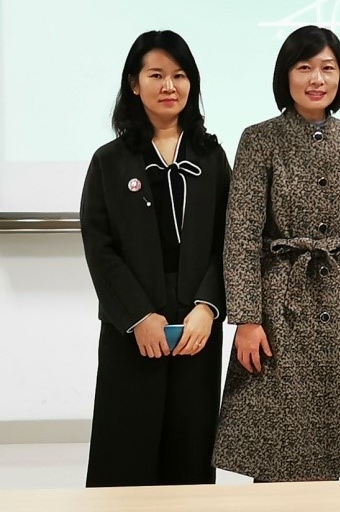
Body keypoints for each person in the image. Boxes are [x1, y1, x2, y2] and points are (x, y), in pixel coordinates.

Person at [212, 25, 340, 481]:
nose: (317, 79)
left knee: (331, 438)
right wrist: (246, 319)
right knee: (276, 441)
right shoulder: (259, 139)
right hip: (278, 304)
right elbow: (241, 233)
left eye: (328, 68)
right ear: (285, 75)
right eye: (304, 67)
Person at [79, 30, 230, 487]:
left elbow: (230, 241)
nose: (169, 86)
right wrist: (138, 317)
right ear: (134, 83)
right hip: (133, 323)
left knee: (190, 451)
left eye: (179, 76)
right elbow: (100, 247)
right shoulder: (109, 161)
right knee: (125, 451)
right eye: (156, 75)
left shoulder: (211, 157)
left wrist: (208, 307)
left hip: (195, 324)